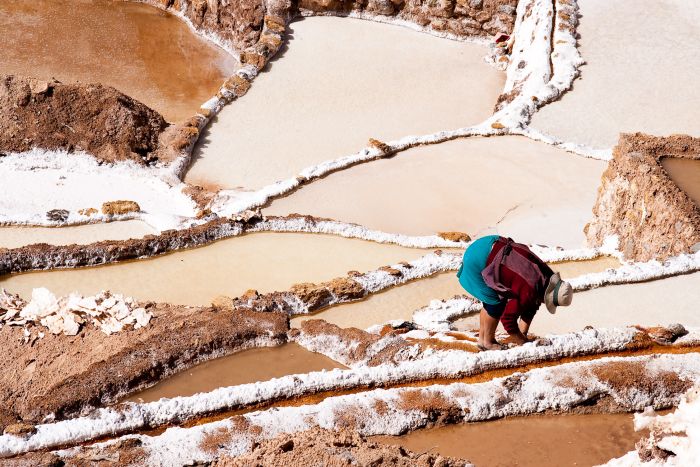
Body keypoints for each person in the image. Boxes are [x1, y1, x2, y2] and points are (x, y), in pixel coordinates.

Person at [457, 235, 573, 350]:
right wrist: (521, 341)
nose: (543, 303)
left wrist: (523, 335)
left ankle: (483, 339)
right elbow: (508, 319)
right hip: (478, 260)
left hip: (487, 244)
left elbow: (532, 305)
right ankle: (487, 343)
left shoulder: (545, 277)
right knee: (496, 303)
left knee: (490, 300)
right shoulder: (530, 288)